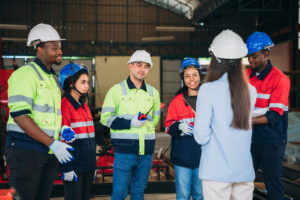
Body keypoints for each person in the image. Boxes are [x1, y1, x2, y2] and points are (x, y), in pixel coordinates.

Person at [5, 23, 74, 200]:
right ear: (39, 48)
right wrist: (52, 143)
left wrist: (61, 133)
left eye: (60, 48)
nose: (60, 52)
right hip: (26, 151)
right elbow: (20, 116)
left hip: (48, 151)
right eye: (54, 48)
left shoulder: (52, 79)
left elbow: (49, 116)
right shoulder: (25, 75)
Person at [193, 30, 257, 200]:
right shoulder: (251, 91)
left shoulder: (207, 90)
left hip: (216, 171)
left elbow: (200, 135)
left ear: (215, 60)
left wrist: (211, 147)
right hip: (244, 171)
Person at [100, 50, 161, 200]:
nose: (142, 69)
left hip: (146, 153)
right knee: (119, 192)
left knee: (139, 192)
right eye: (139, 65)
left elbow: (155, 120)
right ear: (130, 66)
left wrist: (146, 126)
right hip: (124, 151)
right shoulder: (116, 91)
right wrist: (131, 123)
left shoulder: (153, 93)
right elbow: (105, 118)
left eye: (146, 66)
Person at [246, 32, 290, 200]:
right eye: (249, 57)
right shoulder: (249, 76)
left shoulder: (280, 80)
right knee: (242, 181)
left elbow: (274, 116)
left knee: (273, 186)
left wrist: (248, 121)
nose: (250, 61)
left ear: (266, 53)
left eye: (254, 57)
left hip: (272, 141)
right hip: (251, 139)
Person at [165, 58, 203, 200]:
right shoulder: (177, 101)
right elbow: (168, 126)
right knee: (183, 196)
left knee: (201, 195)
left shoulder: (208, 98)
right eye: (187, 76)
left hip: (203, 157)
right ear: (183, 78)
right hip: (182, 158)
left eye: (195, 75)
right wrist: (179, 126)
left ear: (200, 76)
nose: (191, 79)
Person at [59, 63, 96, 200]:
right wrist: (67, 168)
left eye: (87, 82)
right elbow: (62, 140)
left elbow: (90, 138)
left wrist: (93, 165)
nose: (87, 85)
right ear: (70, 83)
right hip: (74, 167)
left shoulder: (84, 106)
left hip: (88, 165)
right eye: (83, 82)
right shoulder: (64, 105)